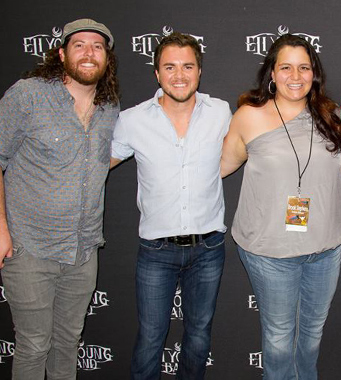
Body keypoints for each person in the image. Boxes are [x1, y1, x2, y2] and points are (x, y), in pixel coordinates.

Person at [221, 34, 341, 379]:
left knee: (311, 337)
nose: (295, 76)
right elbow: (220, 168)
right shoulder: (248, 117)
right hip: (270, 253)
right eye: (286, 67)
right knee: (280, 340)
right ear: (272, 73)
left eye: (303, 67)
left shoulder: (333, 117)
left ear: (314, 74)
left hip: (324, 251)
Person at [0, 18, 119, 379]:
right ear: (61, 53)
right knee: (34, 344)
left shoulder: (109, 109)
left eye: (97, 47)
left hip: (82, 251)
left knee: (69, 341)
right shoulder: (28, 94)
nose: (88, 53)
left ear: (107, 59)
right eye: (79, 45)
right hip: (29, 248)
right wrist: (1, 229)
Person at [110, 32, 231, 380]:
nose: (180, 75)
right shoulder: (133, 120)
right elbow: (97, 166)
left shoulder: (221, 112)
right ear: (157, 74)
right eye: (170, 67)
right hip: (156, 250)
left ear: (199, 71)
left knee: (198, 336)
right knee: (150, 338)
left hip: (209, 247)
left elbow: (244, 148)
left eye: (188, 66)